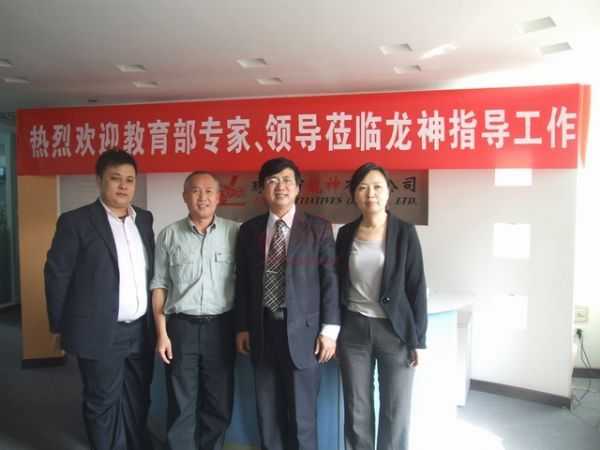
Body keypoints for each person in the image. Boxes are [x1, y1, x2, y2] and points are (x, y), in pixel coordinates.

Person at [44, 149, 155, 450]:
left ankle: (135, 443)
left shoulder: (144, 220)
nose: (123, 186)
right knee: (103, 399)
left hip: (141, 330)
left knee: (138, 394)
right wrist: (59, 327)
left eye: (129, 180)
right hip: (99, 329)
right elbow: (57, 275)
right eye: (115, 178)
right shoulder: (75, 222)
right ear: (99, 180)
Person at [234, 157, 340, 450]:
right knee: (267, 416)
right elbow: (243, 282)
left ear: (297, 188)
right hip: (262, 331)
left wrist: (330, 330)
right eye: (272, 181)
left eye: (287, 181)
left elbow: (330, 280)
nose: (280, 187)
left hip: (305, 335)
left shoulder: (318, 228)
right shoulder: (250, 230)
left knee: (302, 418)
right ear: (262, 189)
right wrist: (242, 327)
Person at [335, 162, 427, 450]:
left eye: (377, 187)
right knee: (357, 409)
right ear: (354, 194)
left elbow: (416, 286)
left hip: (395, 332)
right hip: (353, 331)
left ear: (388, 192)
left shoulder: (405, 232)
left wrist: (418, 340)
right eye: (363, 187)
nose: (370, 193)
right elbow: (336, 284)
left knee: (395, 410)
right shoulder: (346, 233)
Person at [150, 171, 239, 450]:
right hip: (181, 328)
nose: (203, 197)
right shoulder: (169, 235)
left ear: (219, 197)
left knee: (218, 402)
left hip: (221, 328)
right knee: (181, 401)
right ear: (185, 197)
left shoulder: (235, 233)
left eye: (209, 191)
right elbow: (159, 285)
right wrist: (162, 334)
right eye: (196, 191)